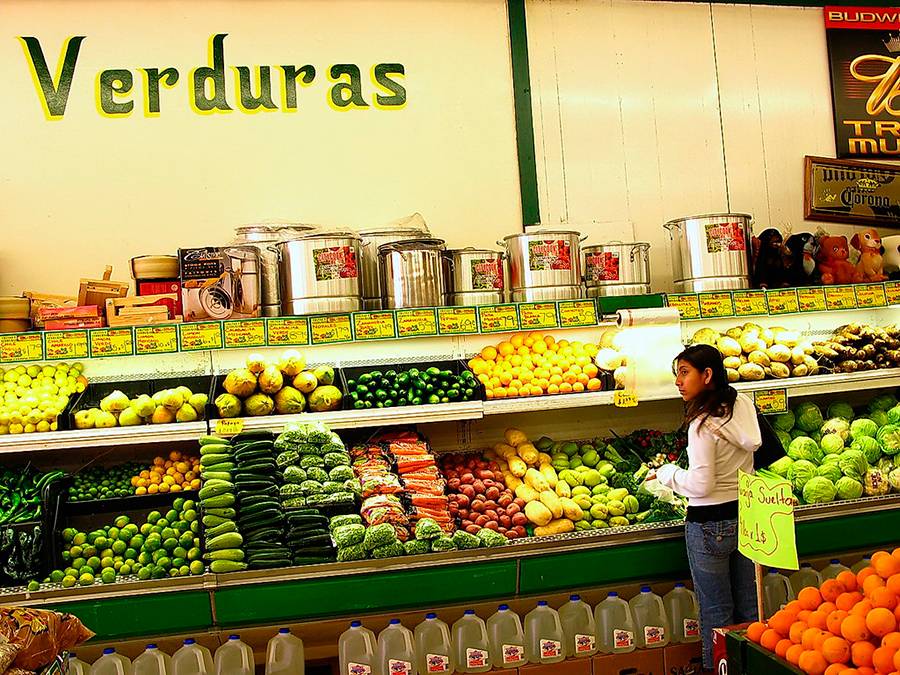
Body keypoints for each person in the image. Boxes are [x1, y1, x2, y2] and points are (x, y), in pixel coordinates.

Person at [654, 344, 761, 671]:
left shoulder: (701, 425)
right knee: (749, 608)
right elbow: (754, 445)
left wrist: (667, 473)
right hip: (746, 516)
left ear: (708, 375)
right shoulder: (741, 403)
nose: (678, 382)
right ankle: (753, 667)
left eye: (685, 373)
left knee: (716, 612)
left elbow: (702, 485)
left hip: (709, 526)